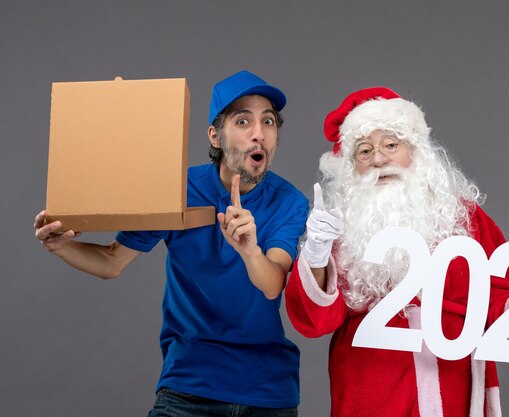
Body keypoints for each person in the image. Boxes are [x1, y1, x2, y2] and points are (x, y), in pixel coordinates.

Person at [35, 70, 308, 417]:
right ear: (215, 136)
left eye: (268, 122)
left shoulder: (291, 202)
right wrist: (60, 246)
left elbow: (273, 285)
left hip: (268, 392)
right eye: (243, 121)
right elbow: (111, 262)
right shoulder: (178, 189)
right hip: (189, 387)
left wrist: (249, 250)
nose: (259, 134)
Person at [285, 87, 509, 417]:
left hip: (455, 383)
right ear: (350, 166)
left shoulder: (463, 216)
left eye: (390, 145)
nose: (378, 159)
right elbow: (314, 323)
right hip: (372, 388)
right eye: (364, 151)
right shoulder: (339, 228)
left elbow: (498, 289)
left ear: (416, 150)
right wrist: (315, 255)